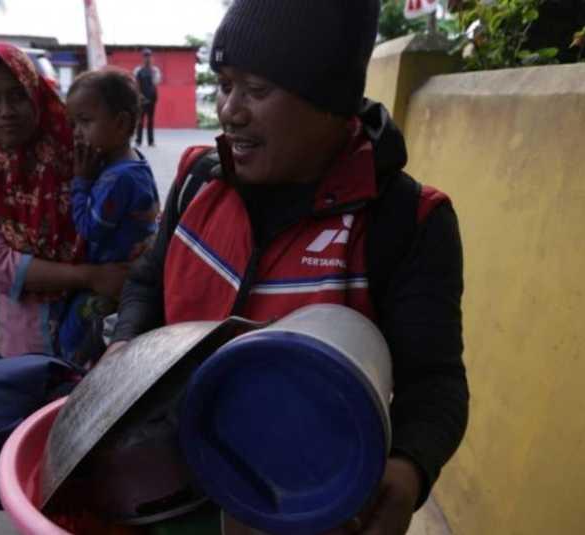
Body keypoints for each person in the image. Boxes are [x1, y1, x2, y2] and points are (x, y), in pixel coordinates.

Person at [108, 2, 469, 534]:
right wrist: (124, 347)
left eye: (256, 90)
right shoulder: (197, 182)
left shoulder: (408, 222)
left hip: (303, 507)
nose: (230, 110)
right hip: (174, 494)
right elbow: (147, 283)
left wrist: (409, 467)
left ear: (330, 102)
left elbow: (433, 382)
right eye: (224, 84)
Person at [0, 43, 128, 357]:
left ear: (36, 93)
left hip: (101, 331)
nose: (5, 111)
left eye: (16, 95)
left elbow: (131, 207)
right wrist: (91, 276)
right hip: (27, 342)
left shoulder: (83, 150)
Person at [56, 68, 160, 365]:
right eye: (73, 123)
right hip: (126, 278)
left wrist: (81, 182)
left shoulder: (117, 179)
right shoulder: (135, 162)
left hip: (112, 287)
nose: (76, 133)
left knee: (79, 345)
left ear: (121, 123)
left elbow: (89, 228)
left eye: (85, 122)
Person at [133, 48, 162, 147]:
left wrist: (152, 72)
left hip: (152, 97)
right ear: (143, 58)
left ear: (151, 57)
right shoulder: (138, 70)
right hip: (141, 98)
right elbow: (135, 83)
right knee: (140, 120)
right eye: (145, 56)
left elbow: (156, 82)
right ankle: (138, 141)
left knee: (150, 120)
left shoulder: (155, 70)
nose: (147, 58)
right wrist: (139, 95)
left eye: (149, 56)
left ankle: (151, 141)